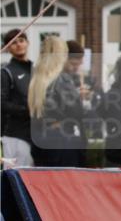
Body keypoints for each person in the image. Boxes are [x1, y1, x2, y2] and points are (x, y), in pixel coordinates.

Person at [28, 36, 87, 167]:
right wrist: (80, 99)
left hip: (40, 138)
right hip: (62, 140)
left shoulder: (36, 79)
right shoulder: (62, 79)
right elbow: (76, 111)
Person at [1, 28, 34, 168]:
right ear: (8, 48)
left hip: (38, 136)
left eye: (21, 40)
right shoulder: (6, 72)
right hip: (15, 136)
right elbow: (2, 103)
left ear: (27, 43)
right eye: (14, 43)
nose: (19, 45)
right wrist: (27, 110)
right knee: (17, 179)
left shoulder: (36, 69)